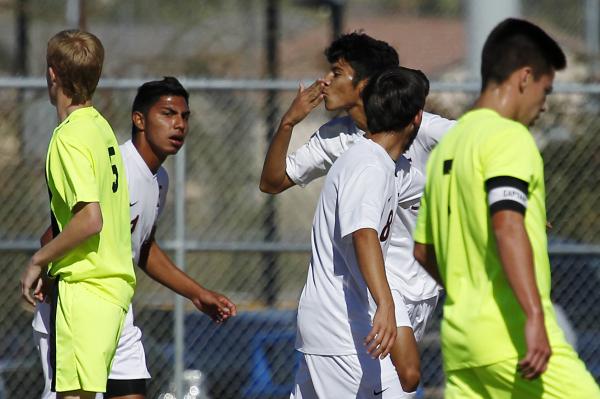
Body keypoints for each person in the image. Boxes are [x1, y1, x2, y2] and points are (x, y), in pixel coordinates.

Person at [413, 18, 600, 398]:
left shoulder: (449, 145)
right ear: (524, 77)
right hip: (511, 335)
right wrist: (533, 316)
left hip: (462, 340)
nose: (544, 106)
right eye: (545, 91)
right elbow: (506, 225)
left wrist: (472, 292)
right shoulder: (509, 136)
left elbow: (423, 250)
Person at [260, 32, 454, 394]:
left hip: (414, 288)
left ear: (365, 83)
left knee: (406, 378)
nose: (325, 81)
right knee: (406, 380)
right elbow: (273, 183)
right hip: (372, 294)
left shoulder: (420, 129)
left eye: (336, 72)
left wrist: (513, 206)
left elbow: (482, 152)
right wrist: (287, 123)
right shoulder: (351, 149)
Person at [33, 77, 238, 399]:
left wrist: (197, 294)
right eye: (168, 114)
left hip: (116, 306)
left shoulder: (159, 179)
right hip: (79, 307)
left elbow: (142, 247)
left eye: (184, 116)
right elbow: (55, 234)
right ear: (139, 119)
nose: (179, 124)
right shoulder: (120, 167)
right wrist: (45, 274)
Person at [291, 66, 430, 398]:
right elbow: (363, 233)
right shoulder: (369, 165)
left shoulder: (380, 163)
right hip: (340, 329)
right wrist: (385, 304)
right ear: (417, 118)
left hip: (335, 326)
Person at [19, 30, 136, 399]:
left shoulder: (68, 137)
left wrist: (39, 260)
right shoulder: (100, 128)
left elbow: (90, 219)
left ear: (53, 74)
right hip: (113, 289)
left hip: (86, 291)